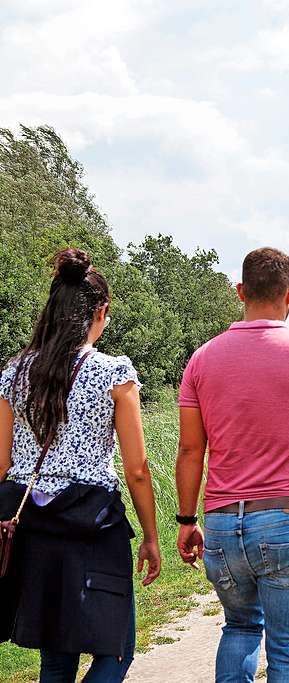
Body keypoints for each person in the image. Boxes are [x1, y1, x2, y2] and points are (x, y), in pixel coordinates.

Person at [175, 247, 289, 683]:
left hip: (221, 525)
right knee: (287, 651)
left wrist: (186, 519)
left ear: (240, 291)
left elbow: (189, 450)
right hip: (287, 521)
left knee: (238, 627)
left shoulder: (202, 358)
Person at [0, 248, 161, 683]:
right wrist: (150, 536)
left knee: (56, 659)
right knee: (117, 650)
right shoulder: (114, 373)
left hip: (32, 523)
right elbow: (138, 469)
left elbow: (1, 463)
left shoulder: (14, 372)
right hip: (93, 525)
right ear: (101, 312)